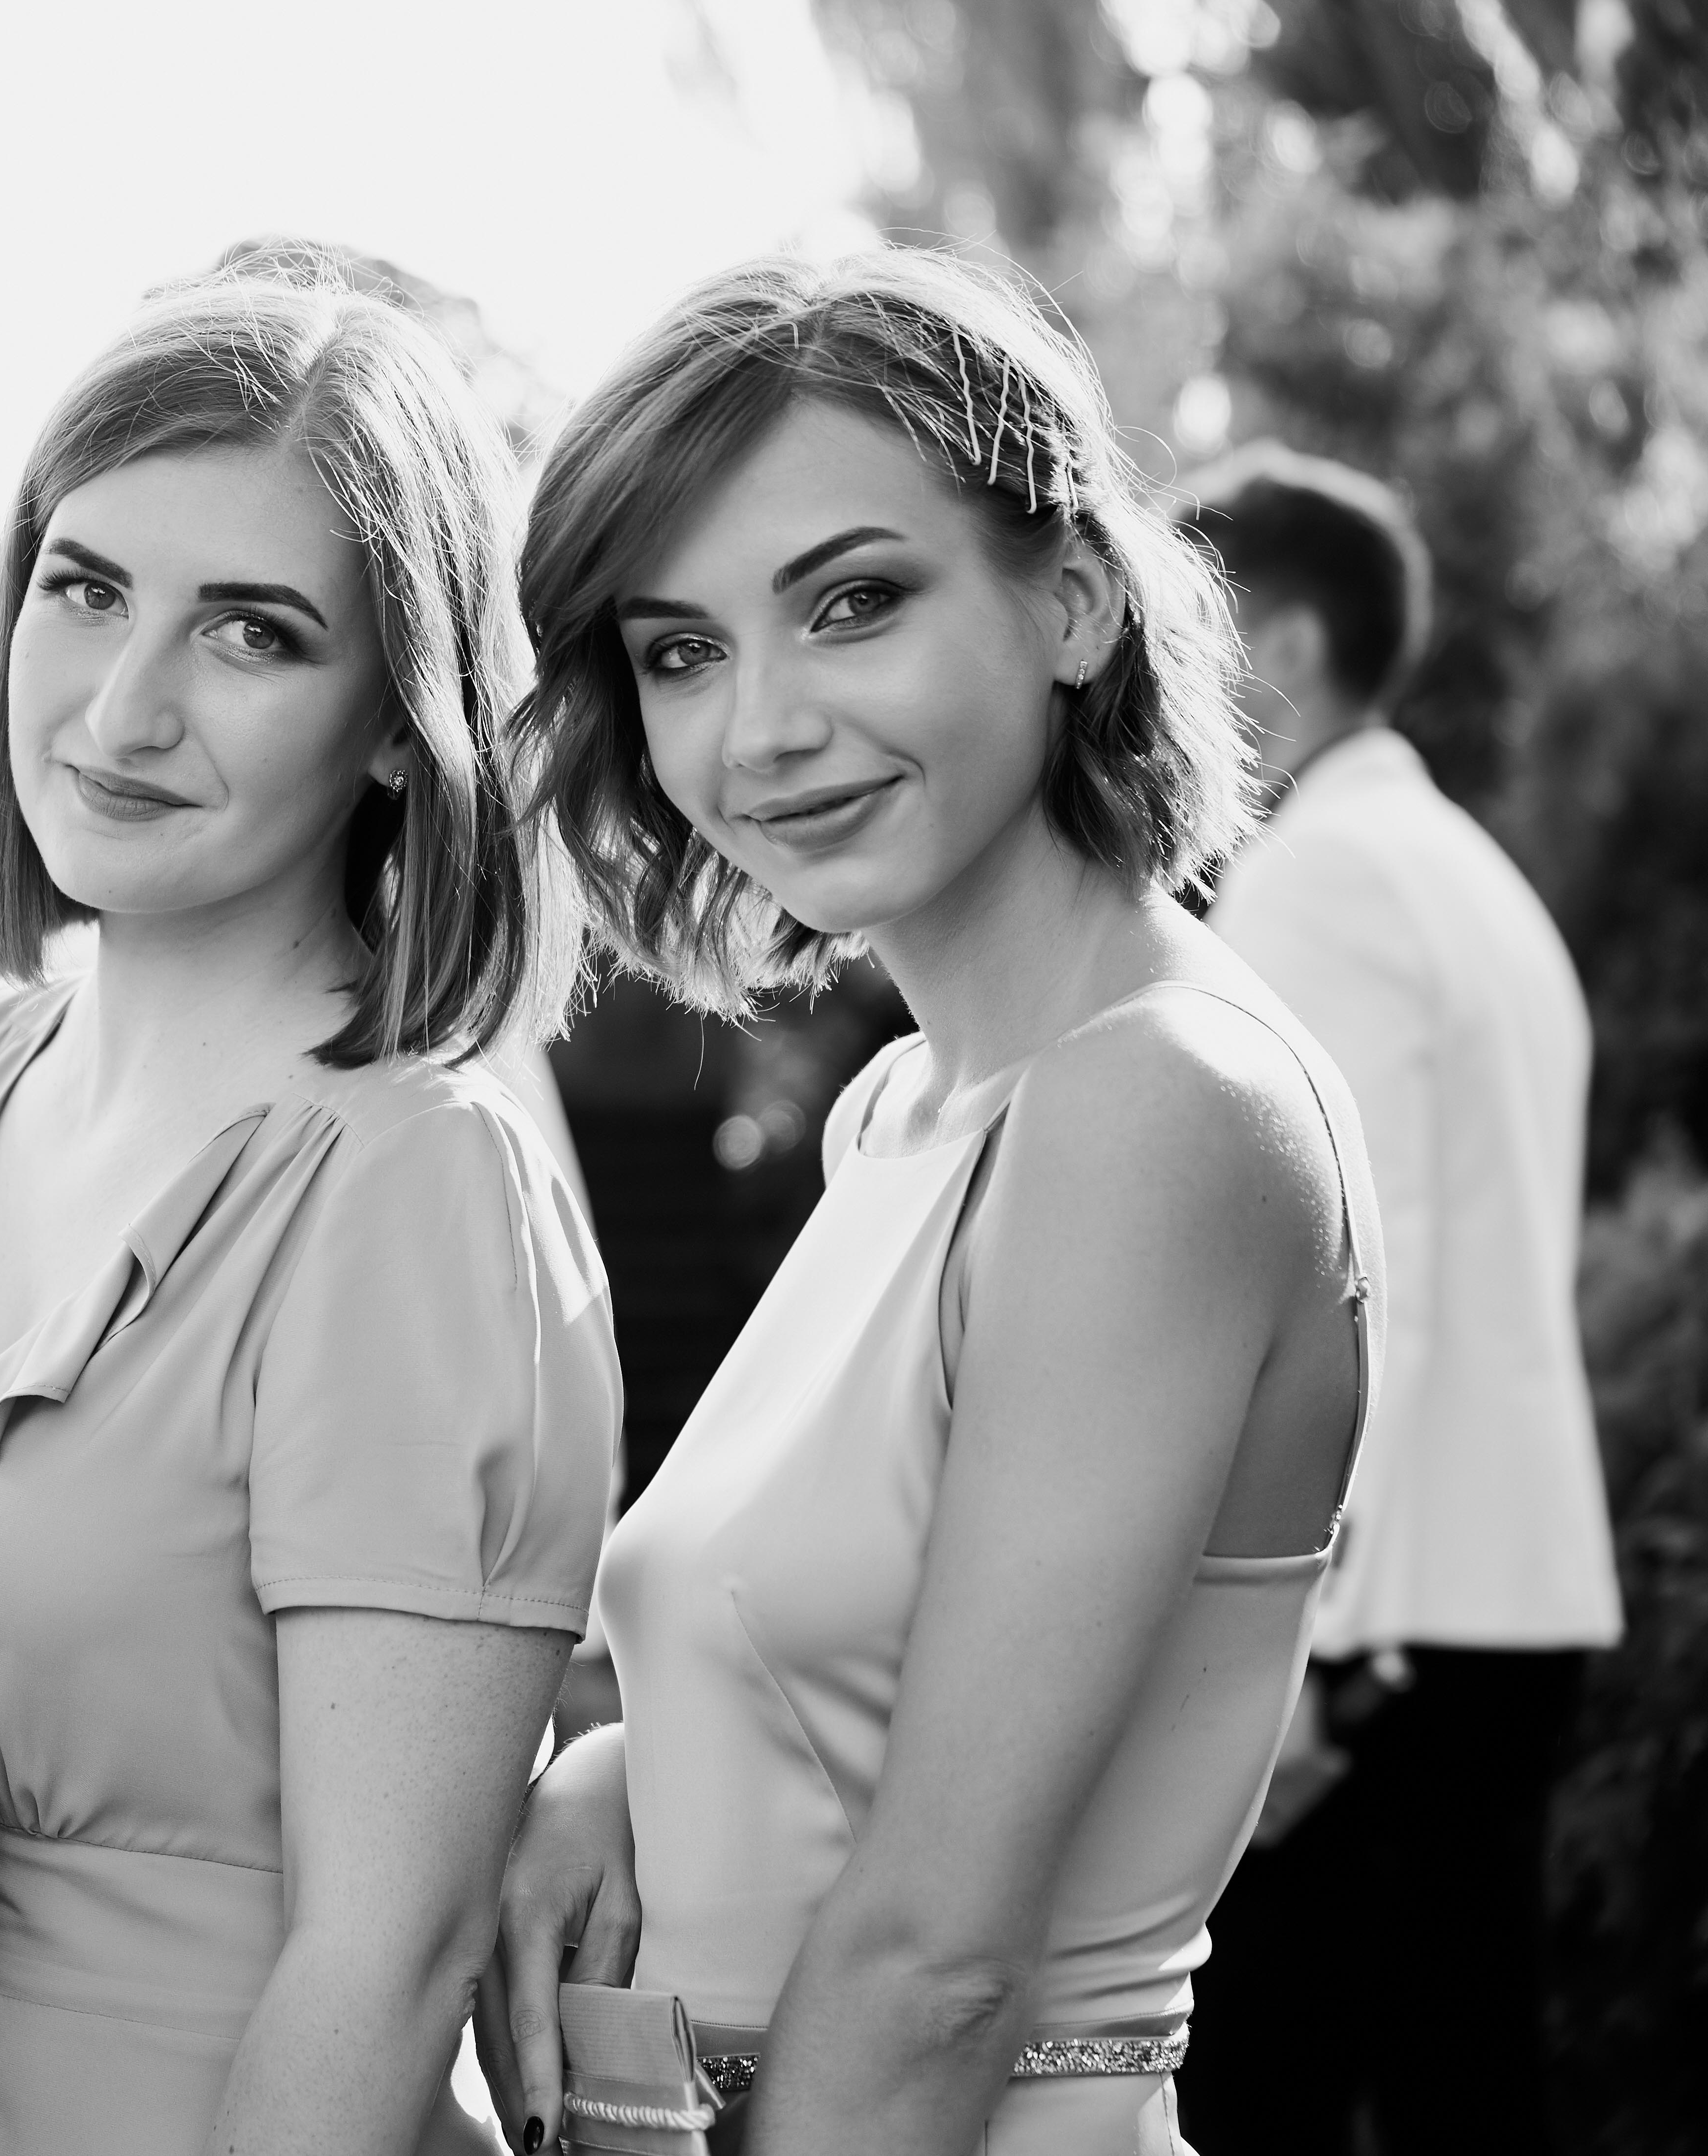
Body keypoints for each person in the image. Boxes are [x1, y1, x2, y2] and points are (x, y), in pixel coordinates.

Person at [480, 249, 1382, 2156]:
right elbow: (901, 1694)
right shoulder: (909, 1108)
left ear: (1072, 601)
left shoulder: (1156, 1107)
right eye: (679, 651)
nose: (760, 729)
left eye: (853, 604)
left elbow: (939, 1963)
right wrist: (632, 1774)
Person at [0, 268, 620, 2153]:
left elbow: (386, 1968)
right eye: (85, 589)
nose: (125, 709)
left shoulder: (411, 1189)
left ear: (401, 723)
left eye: (252, 634)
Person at [1174, 447, 1620, 2155]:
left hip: (1387, 1636)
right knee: (1464, 2083)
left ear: (1282, 642)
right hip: (1506, 1591)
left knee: (1266, 2093)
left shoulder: (1324, 876)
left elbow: (1360, 1284)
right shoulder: (1475, 877)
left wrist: (1302, 1647)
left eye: (1189, 631)